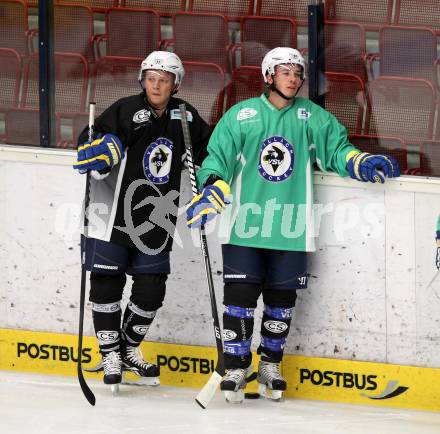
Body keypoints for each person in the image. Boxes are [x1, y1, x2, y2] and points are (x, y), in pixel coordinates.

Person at [186, 47, 400, 403]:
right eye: (286, 72)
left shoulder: (310, 117)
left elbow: (336, 149)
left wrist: (359, 161)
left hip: (292, 226)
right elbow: (216, 161)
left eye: (298, 73)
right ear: (269, 76)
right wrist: (212, 188)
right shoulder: (242, 116)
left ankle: (270, 362)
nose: (294, 78)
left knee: (280, 302)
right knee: (239, 299)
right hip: (245, 226)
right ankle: (237, 364)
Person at [73, 51, 210, 389]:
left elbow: (208, 153)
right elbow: (88, 141)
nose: (156, 85)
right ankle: (110, 355)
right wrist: (97, 149)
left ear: (175, 84)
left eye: (163, 80)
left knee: (151, 290)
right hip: (110, 214)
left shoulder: (185, 116)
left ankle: (128, 347)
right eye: (151, 78)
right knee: (107, 285)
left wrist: (212, 181)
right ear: (142, 80)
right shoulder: (124, 109)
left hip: (155, 218)